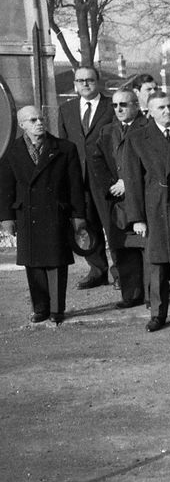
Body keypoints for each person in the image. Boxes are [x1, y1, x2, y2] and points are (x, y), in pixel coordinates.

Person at [122, 92, 170, 332]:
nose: (168, 111)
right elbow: (132, 181)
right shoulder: (137, 138)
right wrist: (136, 218)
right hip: (154, 208)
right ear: (150, 112)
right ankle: (157, 313)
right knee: (156, 261)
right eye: (161, 108)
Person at [1, 106, 86, 324]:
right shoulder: (12, 152)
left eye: (40, 118)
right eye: (32, 120)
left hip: (56, 213)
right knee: (33, 263)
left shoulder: (65, 148)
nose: (39, 122)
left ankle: (57, 309)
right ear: (22, 125)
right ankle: (41, 308)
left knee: (57, 262)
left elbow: (75, 186)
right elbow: (6, 188)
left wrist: (78, 216)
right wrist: (6, 218)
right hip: (27, 214)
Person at [87, 88, 148, 308]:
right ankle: (131, 295)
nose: (119, 109)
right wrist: (112, 184)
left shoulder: (147, 128)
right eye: (115, 105)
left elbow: (152, 163)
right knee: (122, 247)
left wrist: (128, 182)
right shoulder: (106, 131)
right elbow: (96, 159)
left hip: (141, 197)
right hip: (117, 200)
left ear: (136, 105)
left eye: (124, 104)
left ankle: (152, 295)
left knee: (145, 248)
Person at [56, 65, 112, 289]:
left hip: (106, 178)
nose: (85, 84)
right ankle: (98, 270)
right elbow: (64, 146)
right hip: (79, 179)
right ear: (75, 85)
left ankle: (120, 271)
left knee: (112, 224)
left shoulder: (111, 106)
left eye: (89, 80)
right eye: (80, 81)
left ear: (97, 82)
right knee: (87, 224)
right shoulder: (67, 109)